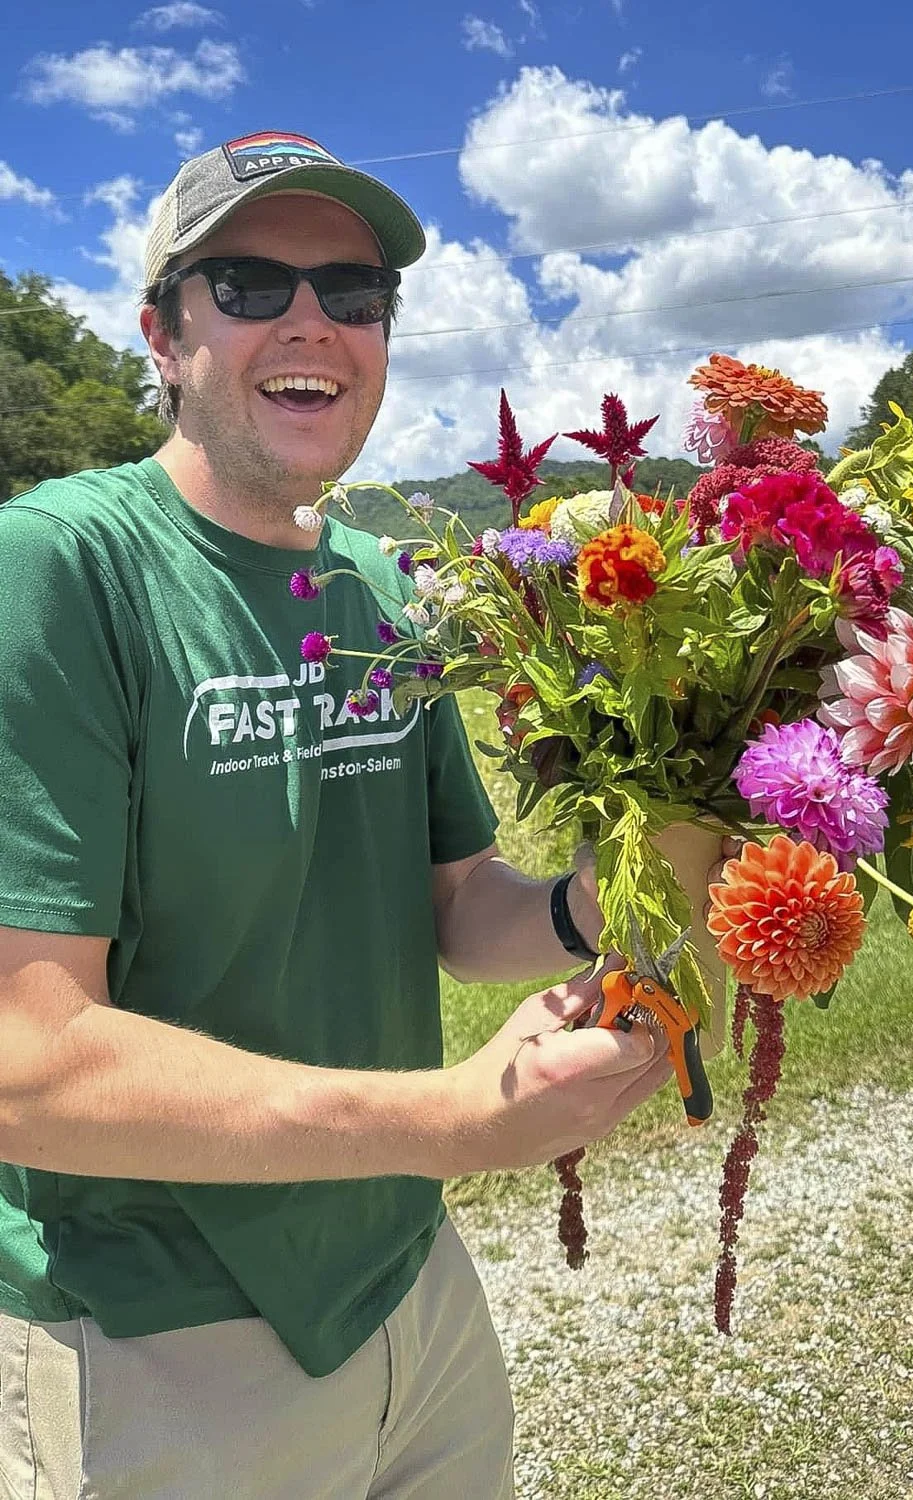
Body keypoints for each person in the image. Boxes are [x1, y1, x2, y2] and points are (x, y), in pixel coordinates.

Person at [0, 130, 674, 1500]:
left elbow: (454, 902)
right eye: (248, 283)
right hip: (152, 1334)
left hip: (407, 1287)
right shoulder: (60, 568)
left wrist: (599, 901)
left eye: (353, 293)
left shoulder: (384, 587)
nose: (311, 321)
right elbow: (29, 1063)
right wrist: (452, 1121)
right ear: (162, 331)